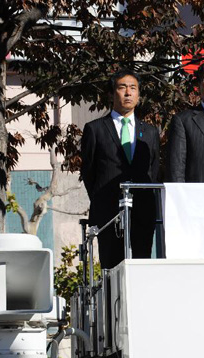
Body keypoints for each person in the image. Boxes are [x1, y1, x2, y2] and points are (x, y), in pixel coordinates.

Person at [80, 70, 160, 269]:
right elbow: (88, 171)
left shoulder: (149, 132)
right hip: (109, 213)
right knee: (111, 269)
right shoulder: (95, 129)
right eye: (122, 88)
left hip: (142, 211)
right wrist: (102, 201)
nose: (128, 93)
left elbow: (154, 170)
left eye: (133, 88)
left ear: (139, 95)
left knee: (142, 267)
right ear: (111, 94)